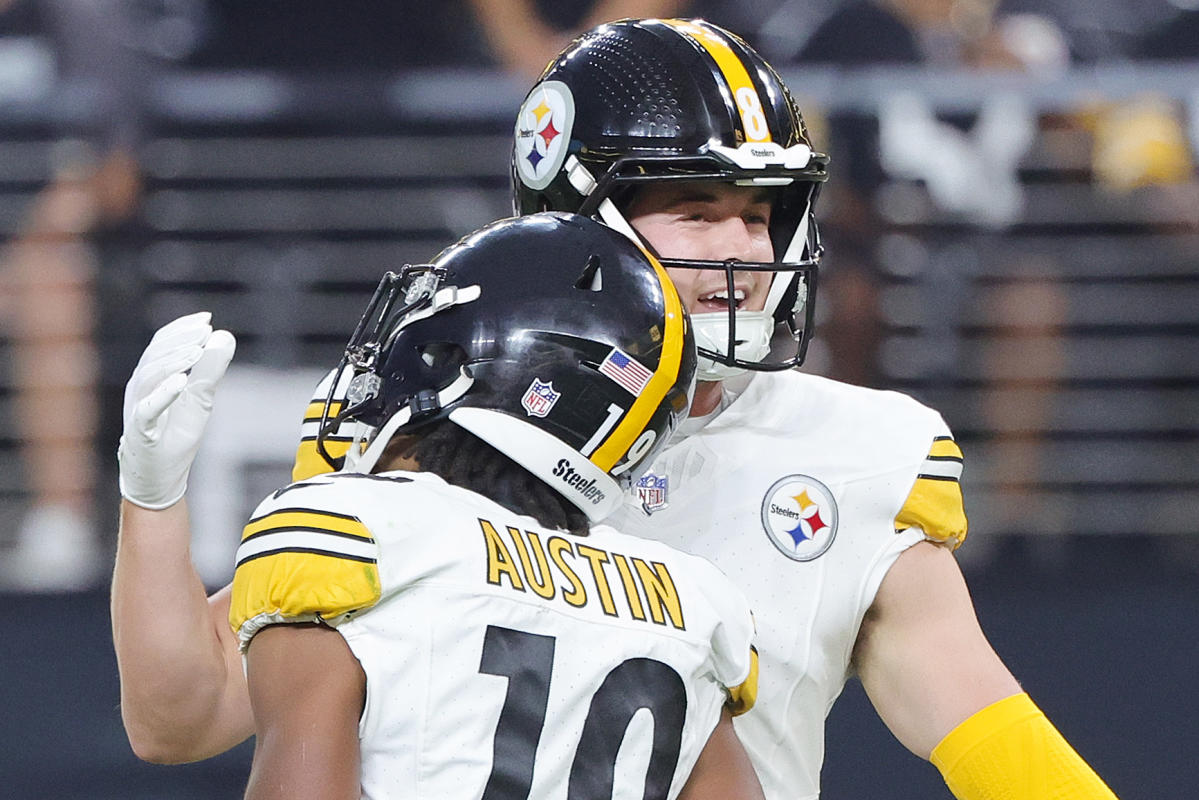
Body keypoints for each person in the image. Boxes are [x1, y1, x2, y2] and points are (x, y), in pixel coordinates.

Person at [111, 17, 1121, 800]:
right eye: (695, 207)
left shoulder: (852, 450)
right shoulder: (443, 406)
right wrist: (149, 502)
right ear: (571, 219)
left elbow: (992, 738)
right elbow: (182, 718)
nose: (741, 253)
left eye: (761, 215)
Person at [123, 212, 766, 800]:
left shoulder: (362, 539)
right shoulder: (689, 604)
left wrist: (150, 495)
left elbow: (176, 725)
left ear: (461, 361)